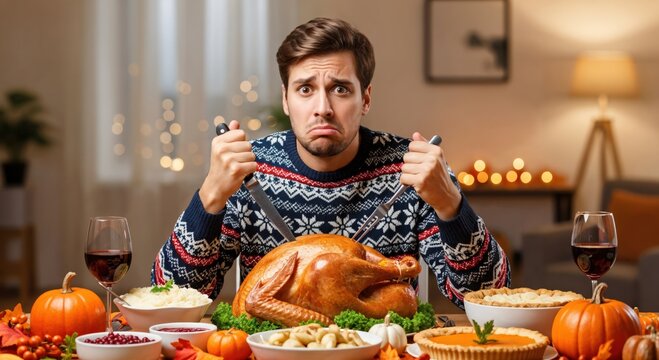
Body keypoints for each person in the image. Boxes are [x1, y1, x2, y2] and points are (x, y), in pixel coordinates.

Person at [152, 17, 510, 309]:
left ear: (365, 98)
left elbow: (489, 297)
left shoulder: (414, 171)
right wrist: (210, 196)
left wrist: (451, 205)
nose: (322, 107)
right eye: (305, 89)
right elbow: (170, 297)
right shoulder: (246, 170)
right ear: (287, 99)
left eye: (340, 88)